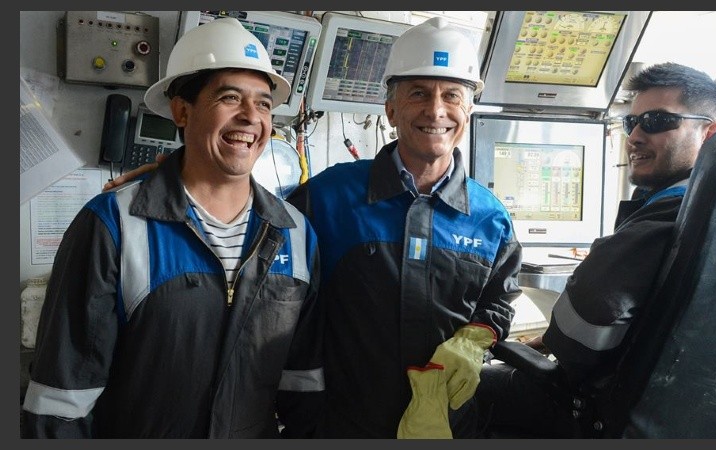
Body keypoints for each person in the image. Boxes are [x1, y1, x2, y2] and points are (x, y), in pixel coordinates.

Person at [100, 16, 523, 439]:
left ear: (468, 110)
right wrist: (175, 180)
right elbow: (248, 230)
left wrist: (476, 336)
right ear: (391, 109)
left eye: (452, 95)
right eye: (418, 93)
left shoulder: (492, 218)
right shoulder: (327, 198)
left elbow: (499, 300)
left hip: (448, 426)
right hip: (341, 427)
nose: (436, 110)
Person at [21, 18, 324, 438]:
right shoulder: (114, 224)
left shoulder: (294, 232)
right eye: (230, 98)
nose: (250, 118)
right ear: (182, 110)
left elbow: (302, 383)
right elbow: (61, 400)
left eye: (264, 104)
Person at [475, 62, 716, 438]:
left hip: (599, 413)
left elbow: (588, 320)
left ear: (710, 134)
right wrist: (549, 339)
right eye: (632, 123)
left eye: (658, 121)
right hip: (699, 415)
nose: (636, 137)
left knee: (460, 388)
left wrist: (552, 342)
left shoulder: (668, 215)